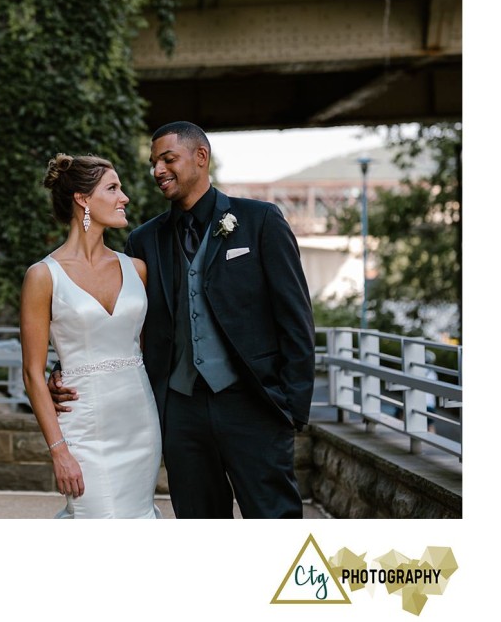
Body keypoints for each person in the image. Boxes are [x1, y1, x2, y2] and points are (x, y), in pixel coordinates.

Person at [51, 122, 315, 518]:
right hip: (181, 413)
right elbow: (123, 320)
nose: (158, 170)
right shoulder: (144, 240)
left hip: (254, 406)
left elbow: (295, 318)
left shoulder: (260, 221)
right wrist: (66, 367)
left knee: (275, 522)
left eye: (168, 159)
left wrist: (291, 408)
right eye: (154, 162)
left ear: (201, 158)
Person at [20, 153, 162, 518]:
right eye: (112, 188)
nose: (124, 197)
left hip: (140, 423)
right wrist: (58, 450)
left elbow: (142, 348)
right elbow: (33, 373)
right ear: (83, 199)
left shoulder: (138, 270)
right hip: (83, 427)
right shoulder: (42, 276)